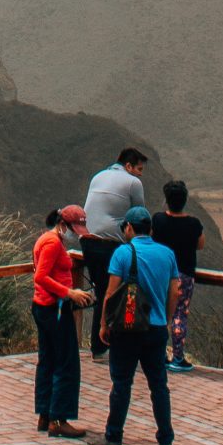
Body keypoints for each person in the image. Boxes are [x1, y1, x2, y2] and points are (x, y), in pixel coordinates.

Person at [89, 208, 181, 445]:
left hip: (127, 328)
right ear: (149, 229)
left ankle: (114, 436)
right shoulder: (167, 254)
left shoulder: (122, 253)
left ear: (129, 227)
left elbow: (110, 293)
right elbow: (175, 291)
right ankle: (165, 440)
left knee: (121, 383)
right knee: (159, 386)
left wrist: (104, 325)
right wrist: (167, 318)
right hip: (157, 328)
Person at [81, 146, 150, 358]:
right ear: (128, 166)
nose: (140, 173)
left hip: (87, 242)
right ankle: (112, 346)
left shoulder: (98, 176)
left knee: (102, 292)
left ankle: (100, 346)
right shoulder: (133, 183)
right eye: (138, 168)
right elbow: (140, 217)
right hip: (110, 244)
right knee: (117, 294)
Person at [32, 204, 92, 438]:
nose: (75, 233)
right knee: (66, 362)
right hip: (54, 308)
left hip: (44, 307)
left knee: (47, 360)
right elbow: (41, 276)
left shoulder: (49, 240)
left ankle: (45, 414)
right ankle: (59, 419)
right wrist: (70, 293)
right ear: (62, 224)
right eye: (74, 228)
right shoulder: (52, 243)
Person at [151, 178, 203, 371]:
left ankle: (159, 353)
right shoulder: (194, 224)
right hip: (184, 274)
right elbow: (201, 244)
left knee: (159, 310)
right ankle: (178, 357)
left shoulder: (158, 220)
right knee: (180, 313)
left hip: (161, 273)